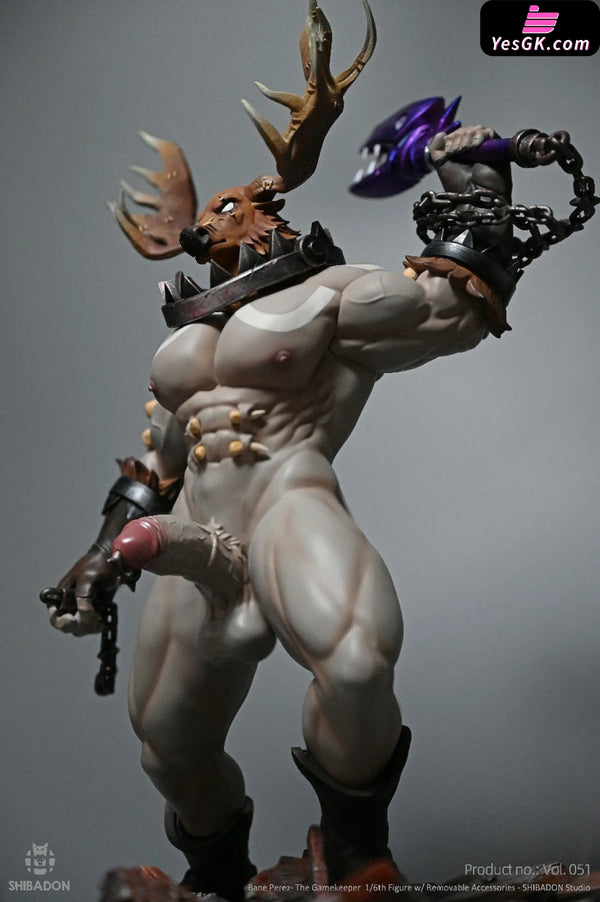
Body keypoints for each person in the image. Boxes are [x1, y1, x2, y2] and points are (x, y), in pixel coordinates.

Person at [44, 4, 514, 899]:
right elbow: (161, 463)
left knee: (358, 661)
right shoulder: (187, 343)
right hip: (196, 527)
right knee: (168, 750)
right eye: (202, 221)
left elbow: (448, 311)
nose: (201, 230)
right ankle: (216, 879)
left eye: (222, 212)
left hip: (286, 501)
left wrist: (479, 186)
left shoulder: (329, 296)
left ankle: (357, 853)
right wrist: (97, 563)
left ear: (264, 211)